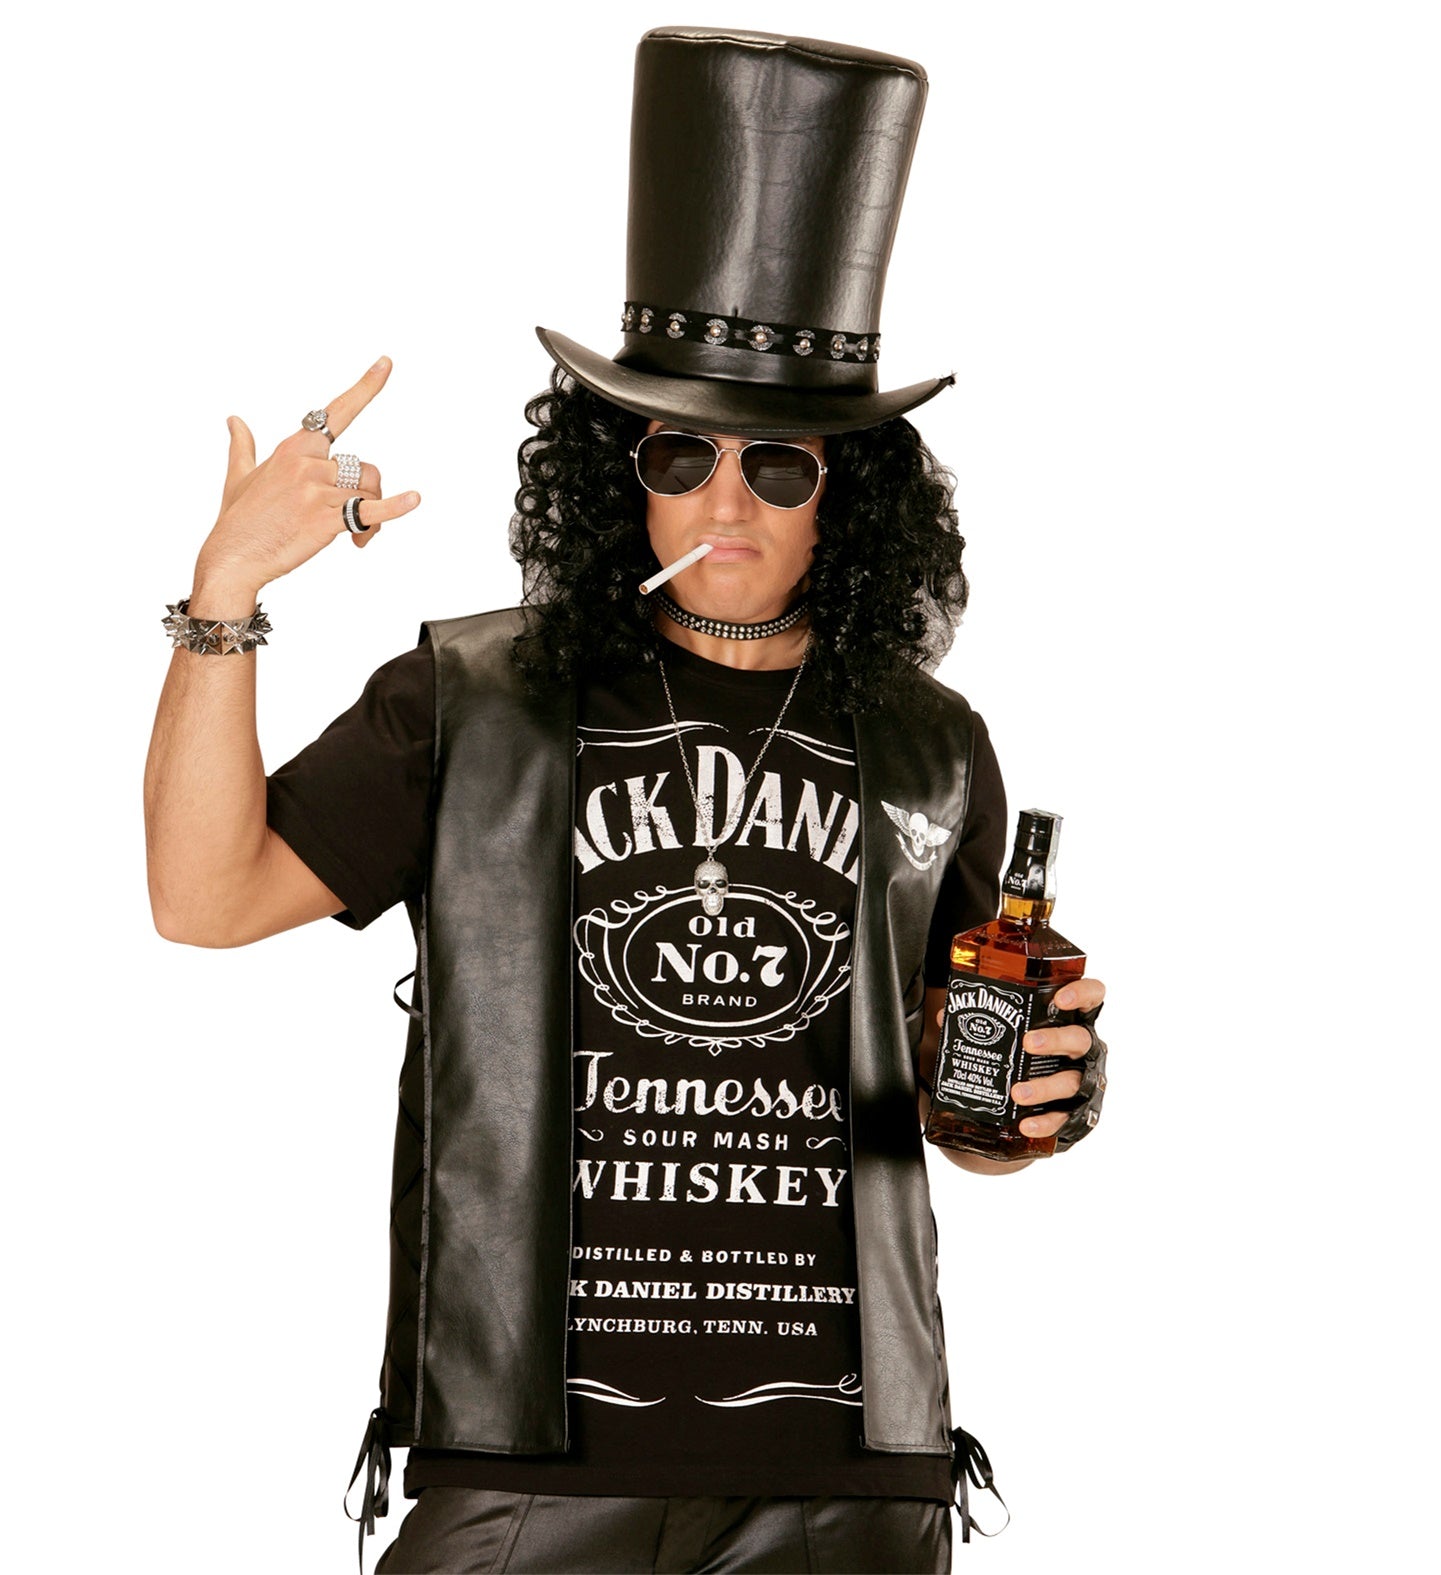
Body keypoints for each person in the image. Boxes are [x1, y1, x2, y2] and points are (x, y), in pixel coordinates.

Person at [145, 27, 1107, 1575]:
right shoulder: (472, 700)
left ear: (845, 494)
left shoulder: (929, 747)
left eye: (778, 467)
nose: (724, 502)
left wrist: (1038, 1099)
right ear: (619, 474)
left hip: (849, 1474)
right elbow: (205, 897)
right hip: (529, 1453)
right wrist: (225, 595)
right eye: (679, 455)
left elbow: (959, 1106)